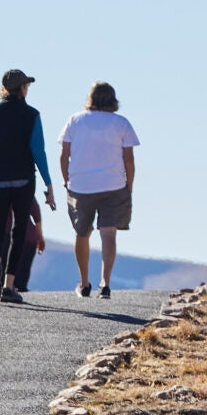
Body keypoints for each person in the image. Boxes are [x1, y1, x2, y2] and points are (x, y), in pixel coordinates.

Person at [0, 69, 54, 303]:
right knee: (18, 230)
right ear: (22, 88)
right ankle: (8, 286)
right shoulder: (32, 115)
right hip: (23, 180)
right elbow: (39, 152)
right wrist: (48, 184)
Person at [58, 82, 139, 300]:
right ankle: (105, 284)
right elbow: (129, 159)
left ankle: (84, 283)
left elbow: (64, 154)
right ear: (113, 100)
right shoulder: (121, 123)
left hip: (81, 185)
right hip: (114, 184)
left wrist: (66, 180)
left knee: (82, 233)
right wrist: (129, 185)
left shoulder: (75, 120)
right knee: (108, 233)